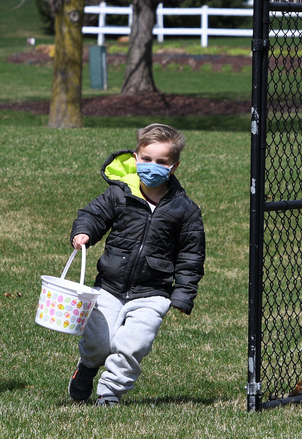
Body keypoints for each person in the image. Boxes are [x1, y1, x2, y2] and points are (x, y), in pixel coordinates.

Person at [68, 123, 205, 406]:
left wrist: (183, 294)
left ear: (173, 167)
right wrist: (84, 231)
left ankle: (110, 392)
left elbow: (191, 255)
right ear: (136, 157)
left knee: (133, 345)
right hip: (108, 286)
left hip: (153, 293)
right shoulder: (120, 194)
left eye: (161, 162)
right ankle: (86, 369)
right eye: (146, 159)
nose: (152, 166)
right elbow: (93, 215)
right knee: (97, 343)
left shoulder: (185, 210)